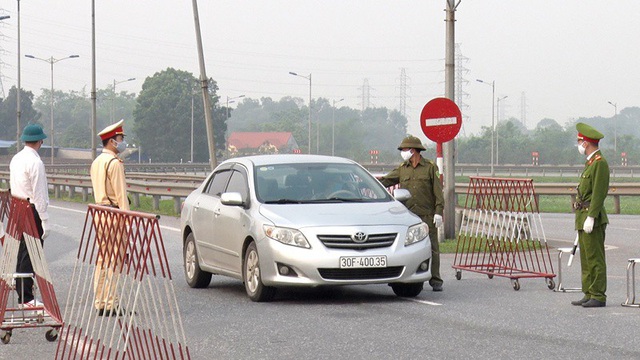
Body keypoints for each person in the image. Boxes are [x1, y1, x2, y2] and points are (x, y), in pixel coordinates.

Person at [379, 135, 445, 291]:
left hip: (427, 215)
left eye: (405, 149)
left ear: (413, 150)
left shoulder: (430, 167)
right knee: (408, 247)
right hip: (408, 217)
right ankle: (408, 276)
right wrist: (368, 183)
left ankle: (436, 280)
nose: (403, 152)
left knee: (432, 247)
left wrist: (439, 212)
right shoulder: (403, 168)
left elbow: (438, 192)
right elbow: (387, 181)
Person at [90, 119, 130, 316]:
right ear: (113, 141)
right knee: (115, 260)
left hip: (100, 213)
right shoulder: (114, 163)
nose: (123, 142)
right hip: (114, 214)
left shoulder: (97, 162)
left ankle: (100, 301)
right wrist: (128, 220)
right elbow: (122, 195)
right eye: (121, 138)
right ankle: (111, 302)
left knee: (102, 260)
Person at [9, 124, 49, 308]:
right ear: (40, 141)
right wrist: (45, 219)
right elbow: (40, 194)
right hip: (31, 208)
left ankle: (21, 291)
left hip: (17, 207)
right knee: (31, 253)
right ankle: (26, 297)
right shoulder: (36, 162)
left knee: (21, 252)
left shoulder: (16, 159)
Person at [571, 123, 610, 308]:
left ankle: (598, 295)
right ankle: (588, 292)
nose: (578, 145)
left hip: (592, 218)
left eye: (579, 141)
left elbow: (599, 193)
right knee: (586, 259)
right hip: (583, 216)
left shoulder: (600, 164)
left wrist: (592, 216)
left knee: (595, 258)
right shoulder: (590, 164)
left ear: (585, 143)